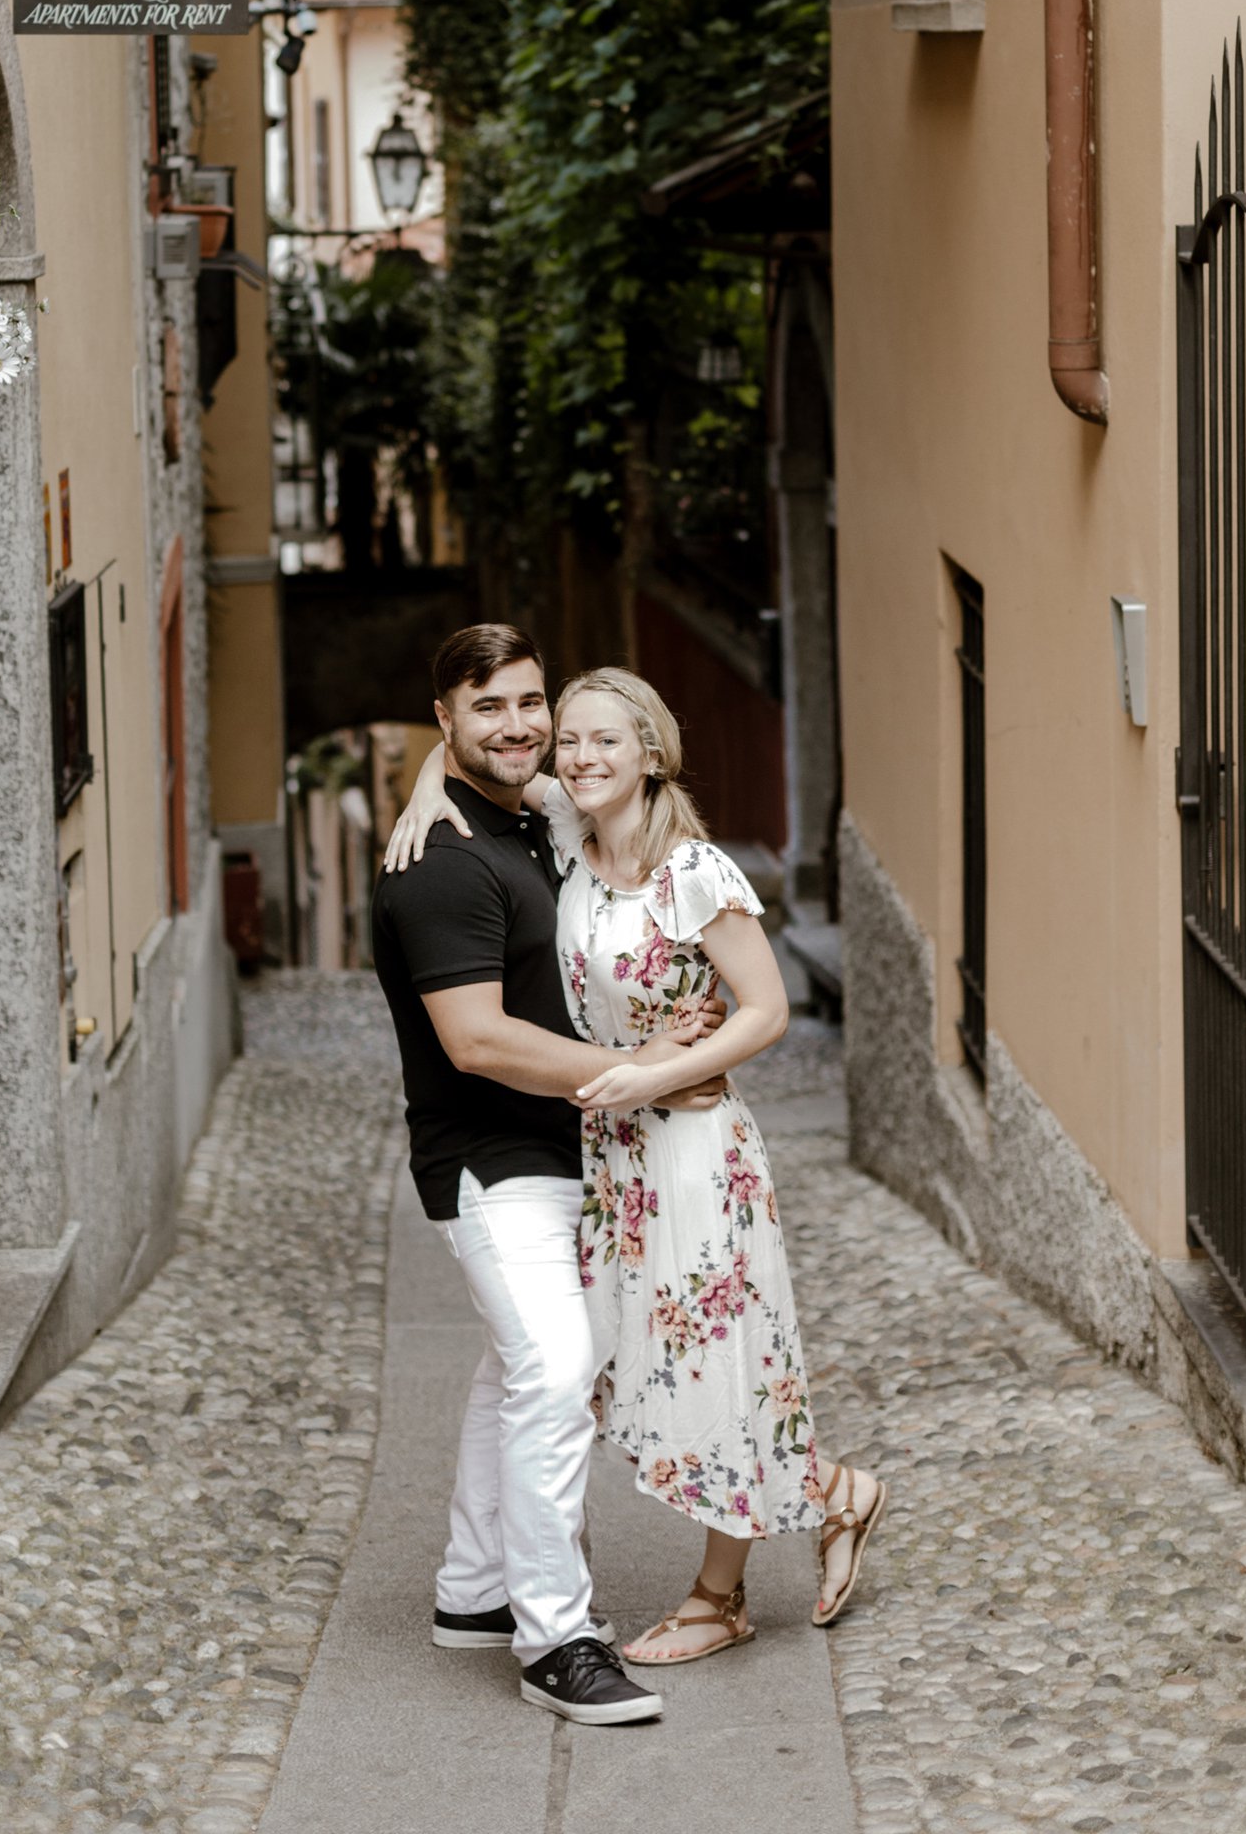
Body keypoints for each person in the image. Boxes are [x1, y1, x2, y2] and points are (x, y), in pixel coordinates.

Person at [387, 662, 888, 1666]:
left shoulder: (694, 871)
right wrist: (420, 790)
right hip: (610, 1152)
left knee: (709, 1359)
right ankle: (833, 1490)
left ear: (650, 756)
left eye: (603, 740)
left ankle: (720, 1596)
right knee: (625, 1368)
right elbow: (487, 747)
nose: (577, 756)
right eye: (570, 739)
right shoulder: (567, 840)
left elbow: (768, 1010)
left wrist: (668, 1072)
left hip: (695, 1149)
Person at [370, 624, 727, 1727]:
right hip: (495, 1163)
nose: (519, 726)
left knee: (511, 1368)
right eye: (487, 709)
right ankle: (554, 1638)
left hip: (573, 1152)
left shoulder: (532, 820)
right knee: (556, 1367)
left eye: (529, 702)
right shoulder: (441, 864)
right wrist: (645, 1070)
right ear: (444, 720)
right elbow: (477, 1040)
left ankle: (475, 1594)